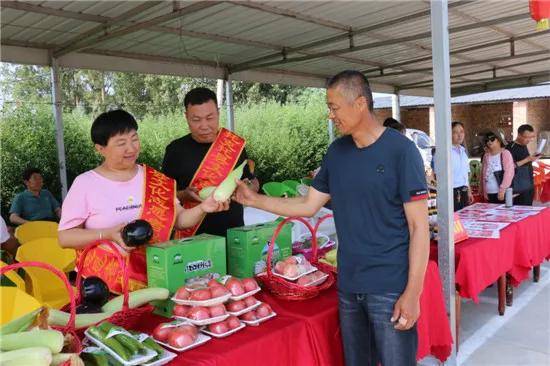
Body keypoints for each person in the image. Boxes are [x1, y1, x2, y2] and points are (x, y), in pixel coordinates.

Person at [234, 70, 429, 366]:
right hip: (350, 287)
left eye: (334, 107)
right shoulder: (337, 152)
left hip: (390, 287)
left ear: (360, 103)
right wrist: (255, 199)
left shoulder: (401, 152)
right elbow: (308, 204)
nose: (330, 116)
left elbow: (419, 228)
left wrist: (413, 293)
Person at [58, 109, 229, 293]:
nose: (131, 148)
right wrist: (107, 234)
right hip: (103, 287)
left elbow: (179, 220)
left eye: (134, 139)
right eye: (121, 143)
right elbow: (65, 237)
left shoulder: (154, 180)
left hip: (154, 279)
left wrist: (204, 207)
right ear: (100, 148)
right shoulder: (86, 183)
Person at [162, 87, 259, 238]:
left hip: (233, 233)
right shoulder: (175, 150)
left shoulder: (233, 145)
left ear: (218, 113)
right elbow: (164, 196)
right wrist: (184, 195)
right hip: (193, 236)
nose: (204, 126)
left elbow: (252, 182)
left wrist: (248, 188)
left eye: (210, 118)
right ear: (186, 117)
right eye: (196, 120)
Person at [506, 124, 539, 205]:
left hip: (528, 183)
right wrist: (528, 159)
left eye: (531, 137)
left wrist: (532, 159)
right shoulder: (510, 147)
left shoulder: (523, 145)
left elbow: (523, 162)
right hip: (518, 186)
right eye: (527, 137)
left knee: (528, 209)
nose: (529, 140)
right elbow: (509, 167)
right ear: (519, 135)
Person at [480, 131, 515, 204]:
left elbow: (509, 173)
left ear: (498, 140)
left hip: (502, 193)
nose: (489, 141)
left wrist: (502, 190)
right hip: (489, 193)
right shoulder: (486, 156)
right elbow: (483, 173)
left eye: (492, 139)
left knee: (503, 214)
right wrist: (483, 190)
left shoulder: (505, 153)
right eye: (487, 140)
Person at [450, 121, 474, 211]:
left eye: (462, 132)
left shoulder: (463, 151)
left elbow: (465, 174)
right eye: (455, 132)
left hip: (464, 190)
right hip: (451, 192)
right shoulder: (445, 151)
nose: (459, 135)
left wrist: (469, 191)